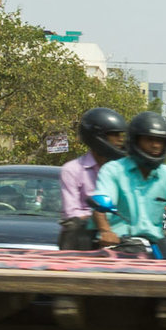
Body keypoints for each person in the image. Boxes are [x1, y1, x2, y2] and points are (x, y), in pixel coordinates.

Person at [96, 112, 166, 255]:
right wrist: (106, 231)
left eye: (160, 141)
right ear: (135, 140)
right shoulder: (113, 170)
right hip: (119, 246)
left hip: (155, 247)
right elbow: (101, 203)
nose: (155, 145)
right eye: (149, 139)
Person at [57, 107, 128, 250]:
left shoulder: (125, 170)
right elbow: (72, 213)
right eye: (114, 134)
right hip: (86, 236)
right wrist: (101, 222)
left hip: (121, 233)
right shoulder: (72, 169)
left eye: (121, 135)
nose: (120, 139)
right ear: (97, 137)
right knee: (73, 227)